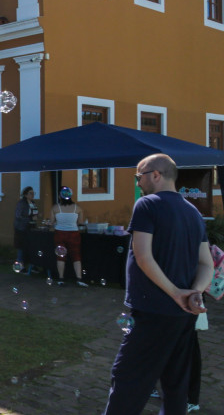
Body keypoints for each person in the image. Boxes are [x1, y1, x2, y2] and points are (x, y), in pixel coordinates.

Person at [103, 154, 214, 415]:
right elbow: (207, 264)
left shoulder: (147, 204)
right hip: (183, 315)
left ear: (156, 174)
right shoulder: (193, 212)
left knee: (127, 379)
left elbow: (143, 256)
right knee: (176, 384)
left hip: (153, 311)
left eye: (138, 176)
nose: (138, 182)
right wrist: (195, 293)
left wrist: (177, 293)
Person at [49, 186, 88, 286]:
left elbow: (51, 222)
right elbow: (80, 222)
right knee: (76, 256)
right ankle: (79, 278)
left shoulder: (55, 208)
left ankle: (61, 278)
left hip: (60, 233)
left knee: (60, 256)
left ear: (60, 196)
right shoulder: (78, 208)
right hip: (74, 234)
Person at [13, 186, 38, 268]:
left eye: (33, 193)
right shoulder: (21, 203)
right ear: (25, 194)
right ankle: (20, 265)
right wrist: (30, 218)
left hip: (31, 227)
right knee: (21, 247)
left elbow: (34, 213)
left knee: (30, 246)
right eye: (31, 193)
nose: (32, 195)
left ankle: (31, 265)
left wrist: (36, 216)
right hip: (21, 228)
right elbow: (18, 216)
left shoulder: (33, 203)